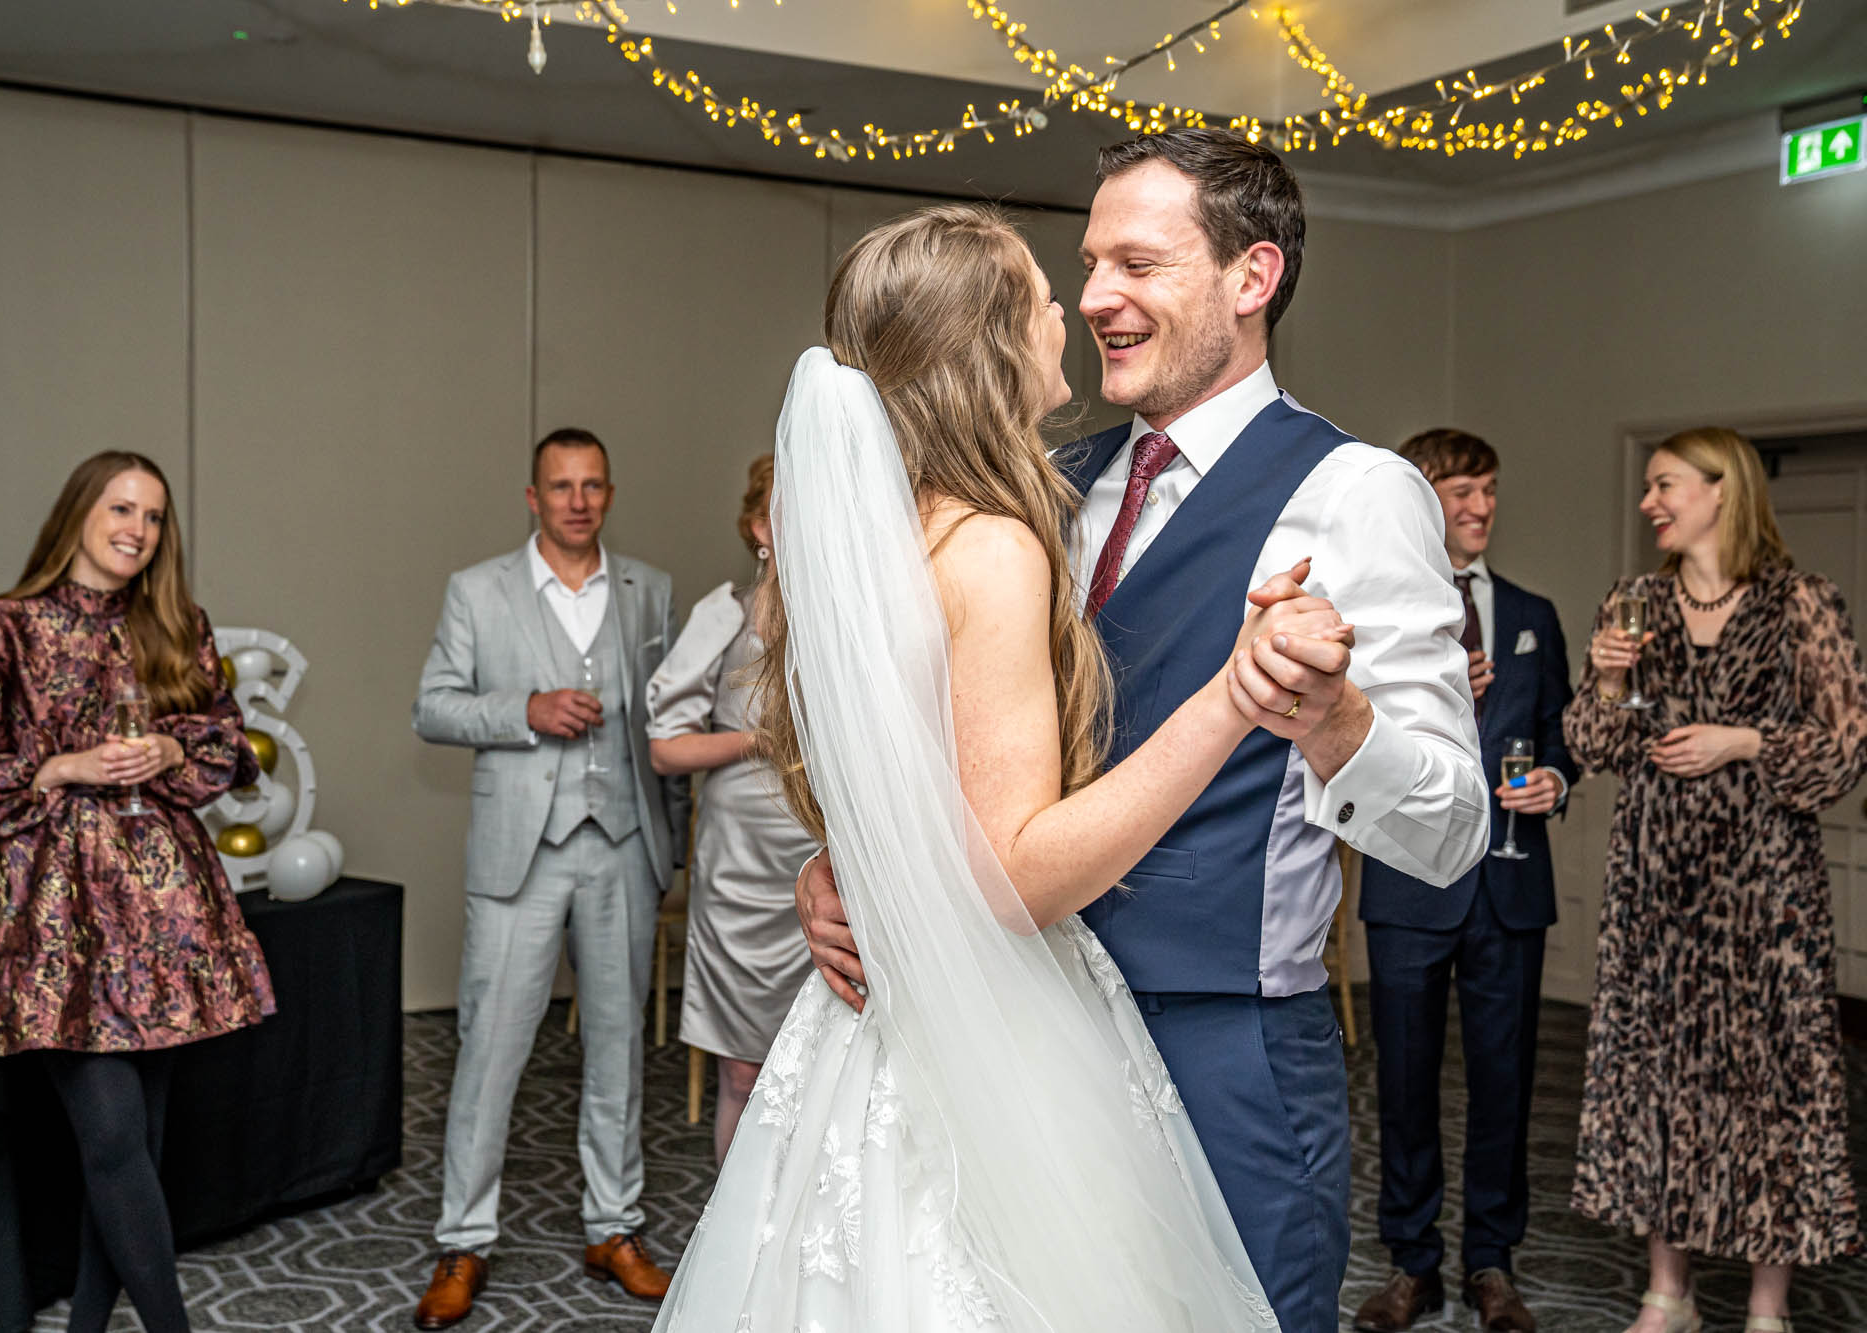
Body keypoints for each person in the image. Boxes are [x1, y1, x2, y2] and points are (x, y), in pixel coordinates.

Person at [798, 128, 1488, 1332]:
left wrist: (1335, 720)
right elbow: (952, 736)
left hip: (1225, 1048)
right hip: (1017, 1033)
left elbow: (1448, 833)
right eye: (1087, 265)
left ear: (1249, 278)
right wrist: (849, 862)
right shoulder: (1046, 483)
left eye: (1137, 264)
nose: (1094, 298)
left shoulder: (1357, 492)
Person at [657, 204, 1360, 1330]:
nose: (1066, 311)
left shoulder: (866, 538)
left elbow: (902, 787)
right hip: (980, 1020)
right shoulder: (988, 541)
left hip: (869, 1025)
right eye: (1041, 292)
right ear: (990, 344)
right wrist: (1234, 695)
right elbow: (1011, 876)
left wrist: (843, 867)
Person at [0, 451, 274, 1333]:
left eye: (152, 517)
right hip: (51, 916)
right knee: (113, 1141)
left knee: (134, 1153)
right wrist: (62, 766)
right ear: (79, 511)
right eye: (120, 508)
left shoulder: (177, 622)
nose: (136, 530)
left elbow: (233, 744)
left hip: (162, 914)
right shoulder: (9, 623)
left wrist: (174, 752)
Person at [1564, 427, 1867, 1333]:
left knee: (1773, 1085)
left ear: (1721, 491)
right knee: (1663, 1082)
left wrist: (1746, 741)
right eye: (1649, 487)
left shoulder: (1802, 602)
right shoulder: (1634, 602)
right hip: (1654, 884)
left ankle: (1768, 1305)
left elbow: (1848, 745)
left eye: (1665, 485)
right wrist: (1609, 686)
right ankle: (1670, 1293)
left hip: (1766, 890)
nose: (1650, 502)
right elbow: (1589, 745)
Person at [410, 427, 684, 1328]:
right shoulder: (477, 590)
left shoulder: (648, 590)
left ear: (609, 493)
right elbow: (434, 707)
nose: (577, 500)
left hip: (621, 849)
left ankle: (614, 1226)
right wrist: (523, 709)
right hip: (519, 852)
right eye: (561, 486)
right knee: (491, 1050)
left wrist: (669, 845)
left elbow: (669, 723)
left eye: (593, 485)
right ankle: (464, 1239)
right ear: (533, 496)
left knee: (617, 1048)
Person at [1352, 430, 1577, 1333]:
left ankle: (1492, 1260)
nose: (1483, 507)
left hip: (1511, 885)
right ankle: (1412, 1263)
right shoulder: (1379, 619)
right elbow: (1346, 745)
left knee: (1505, 1080)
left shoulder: (1532, 612)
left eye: (1490, 490)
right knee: (1401, 1082)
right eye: (1463, 491)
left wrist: (1557, 779)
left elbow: (1557, 735)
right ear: (1419, 496)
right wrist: (1433, 692)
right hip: (1409, 885)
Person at [645, 454, 820, 1164]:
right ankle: (738, 1242)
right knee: (744, 1072)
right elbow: (666, 749)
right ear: (757, 527)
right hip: (740, 871)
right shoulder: (723, 614)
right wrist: (758, 739)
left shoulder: (852, 616)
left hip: (823, 862)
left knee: (823, 1071)